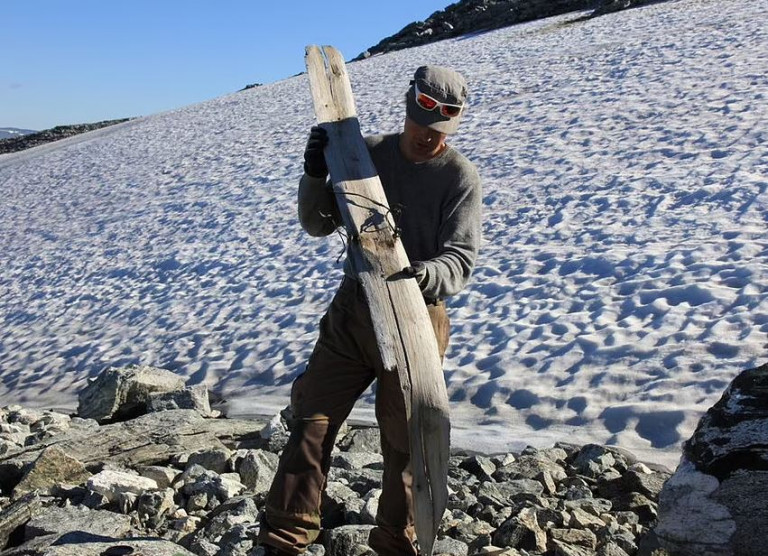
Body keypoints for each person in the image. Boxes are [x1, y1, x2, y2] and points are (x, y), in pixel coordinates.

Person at [257, 65, 482, 556]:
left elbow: (460, 260)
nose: (430, 138)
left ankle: (394, 543)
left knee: (405, 441)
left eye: (442, 130)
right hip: (354, 310)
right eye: (424, 125)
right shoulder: (367, 155)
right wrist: (316, 174)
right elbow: (318, 224)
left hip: (418, 320)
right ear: (409, 109)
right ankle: (286, 537)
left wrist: (425, 275)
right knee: (311, 417)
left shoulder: (458, 176)